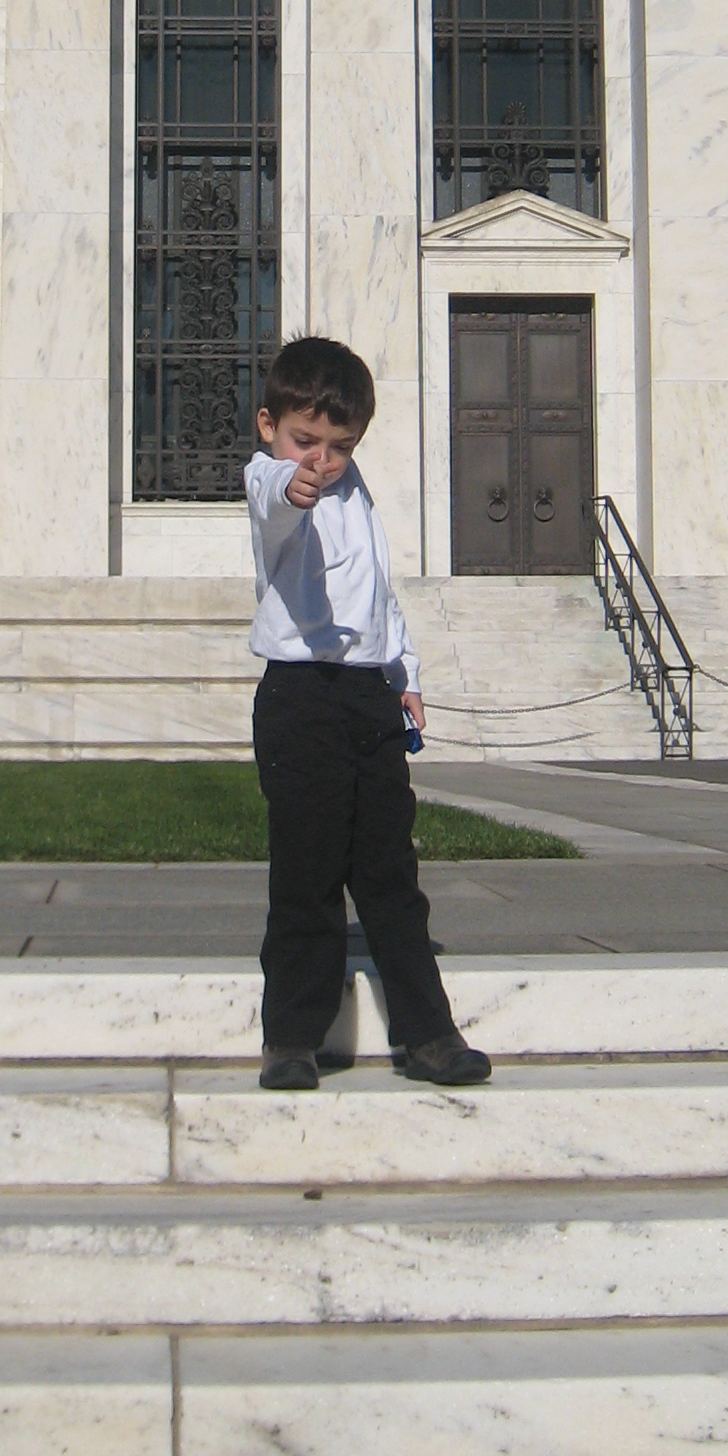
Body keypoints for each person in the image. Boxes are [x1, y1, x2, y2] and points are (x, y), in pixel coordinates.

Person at [244, 335, 492, 1093]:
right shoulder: (270, 479)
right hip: (299, 696)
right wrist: (293, 484)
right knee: (307, 872)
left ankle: (429, 1034)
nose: (322, 459)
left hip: (366, 695)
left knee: (390, 873)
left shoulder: (358, 494)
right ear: (269, 426)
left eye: (340, 446)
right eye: (305, 440)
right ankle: (292, 1037)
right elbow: (275, 498)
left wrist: (403, 671)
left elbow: (379, 594)